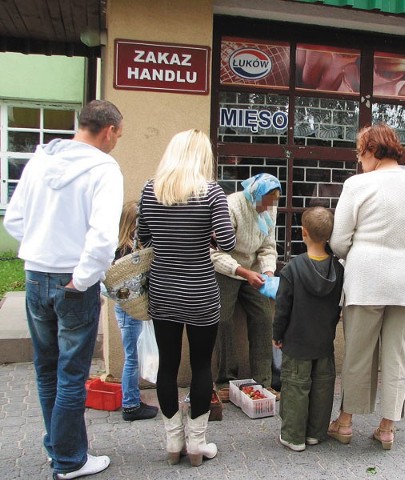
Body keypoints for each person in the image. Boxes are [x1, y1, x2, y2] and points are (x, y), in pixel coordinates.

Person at [3, 100, 124, 479]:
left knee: (46, 370)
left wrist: (42, 250)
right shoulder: (104, 168)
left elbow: (15, 218)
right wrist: (82, 278)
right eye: (119, 135)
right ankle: (71, 460)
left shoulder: (40, 160)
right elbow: (104, 238)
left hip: (36, 274)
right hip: (74, 280)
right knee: (71, 374)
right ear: (108, 131)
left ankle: (59, 447)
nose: (117, 141)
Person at [328, 123, 405, 450]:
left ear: (373, 151)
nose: (359, 159)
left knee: (358, 354)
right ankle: (387, 428)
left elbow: (337, 241)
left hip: (365, 281)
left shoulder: (357, 185)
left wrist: (361, 252)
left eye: (360, 152)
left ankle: (345, 423)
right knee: (398, 356)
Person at [137, 129, 236, 467]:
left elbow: (143, 238)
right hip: (200, 292)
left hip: (163, 290)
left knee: (167, 365)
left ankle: (172, 441)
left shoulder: (151, 190)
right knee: (200, 366)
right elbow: (227, 242)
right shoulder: (212, 193)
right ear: (202, 156)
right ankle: (197, 445)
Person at [272, 207, 344, 452]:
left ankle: (294, 436)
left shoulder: (292, 269)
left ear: (303, 232)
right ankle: (315, 433)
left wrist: (277, 335)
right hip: (324, 340)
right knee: (322, 386)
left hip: (296, 341)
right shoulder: (339, 270)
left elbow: (282, 307)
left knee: (295, 387)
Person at [210, 173, 282, 402]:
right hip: (227, 268)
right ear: (254, 194)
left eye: (273, 202)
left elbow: (268, 246)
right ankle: (224, 380)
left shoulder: (269, 207)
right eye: (266, 201)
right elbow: (215, 252)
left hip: (253, 269)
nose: (269, 207)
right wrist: (241, 272)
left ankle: (263, 381)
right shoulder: (232, 206)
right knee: (222, 320)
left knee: (263, 318)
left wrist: (268, 272)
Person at [113, 201, 159, 422]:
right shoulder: (128, 252)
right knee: (132, 357)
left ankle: (133, 399)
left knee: (133, 355)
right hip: (129, 310)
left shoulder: (119, 248)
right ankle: (130, 405)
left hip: (125, 309)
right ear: (134, 224)